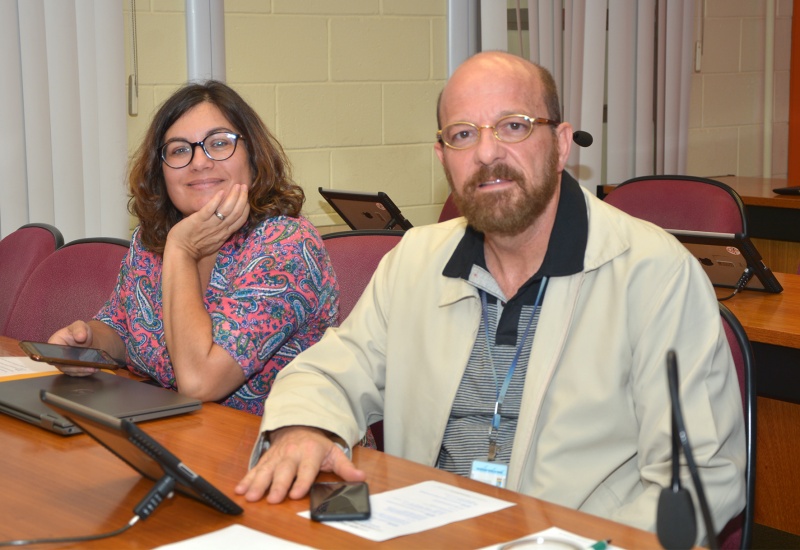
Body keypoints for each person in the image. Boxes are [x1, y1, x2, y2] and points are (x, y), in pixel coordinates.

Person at [235, 52, 745, 539]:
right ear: (443, 157)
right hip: (423, 531)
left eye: (514, 125)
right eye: (462, 134)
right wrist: (305, 427)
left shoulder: (654, 273)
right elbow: (329, 371)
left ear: (561, 143)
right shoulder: (417, 259)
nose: (486, 152)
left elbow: (703, 474)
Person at [48, 80, 338, 416]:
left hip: (286, 453)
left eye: (219, 143)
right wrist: (87, 345)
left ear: (253, 157)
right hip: (182, 436)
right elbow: (121, 327)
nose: (199, 162)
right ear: (162, 169)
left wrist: (182, 251)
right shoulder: (154, 238)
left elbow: (200, 382)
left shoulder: (285, 244)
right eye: (180, 149)